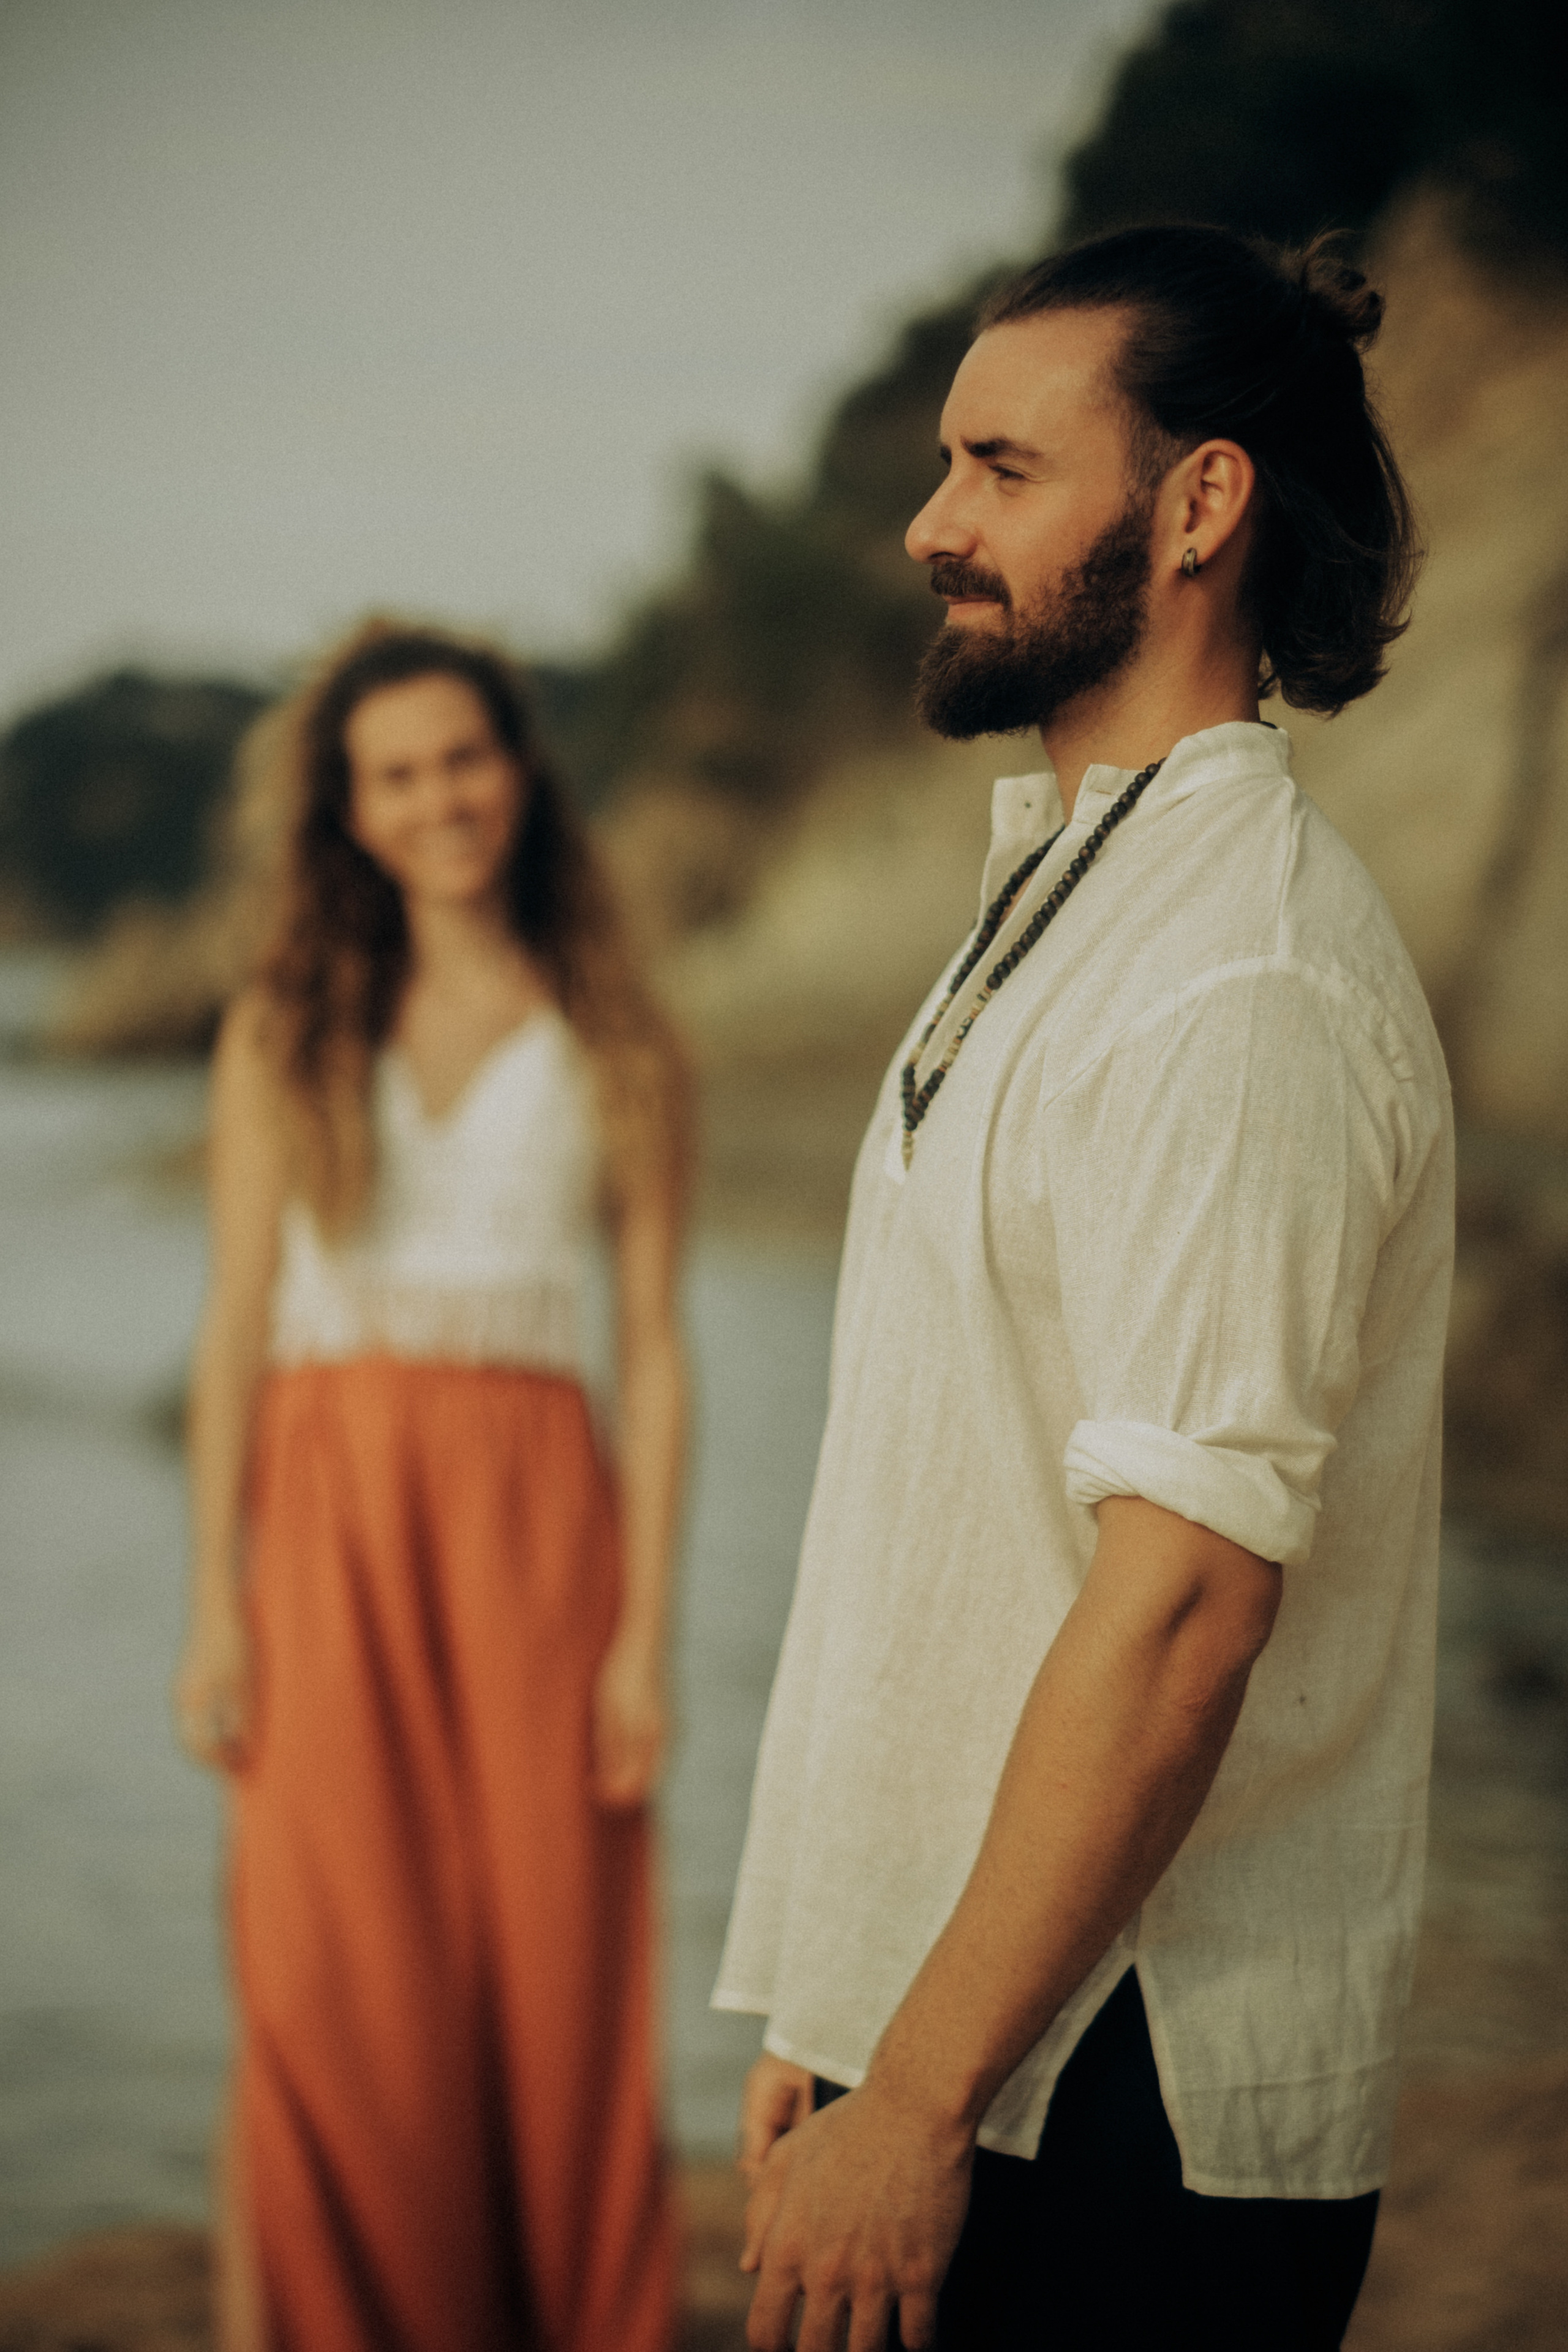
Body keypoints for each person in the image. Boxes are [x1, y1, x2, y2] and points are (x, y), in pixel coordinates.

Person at [715, 224, 1450, 2351]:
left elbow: (1186, 1600)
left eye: (1002, 469)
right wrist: (845, 1988)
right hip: (974, 2019)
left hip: (1128, 2093)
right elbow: (943, 1518)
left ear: (1201, 501)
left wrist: (917, 2089)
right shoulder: (1068, 895)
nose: (931, 527)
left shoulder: (1245, 979)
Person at [175, 622, 690, 2352]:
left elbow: (659, 1353)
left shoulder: (613, 1028)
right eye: (396, 773)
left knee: (554, 1958)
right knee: (335, 1967)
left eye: (463, 757)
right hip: (327, 1521)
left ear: (518, 770)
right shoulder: (286, 1023)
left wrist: (647, 1642)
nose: (439, 798)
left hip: (542, 1519)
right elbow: (235, 1324)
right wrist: (212, 1611)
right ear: (349, 810)